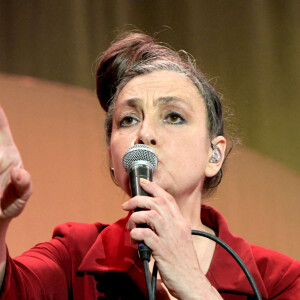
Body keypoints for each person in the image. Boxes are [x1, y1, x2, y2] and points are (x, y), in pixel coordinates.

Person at [0, 31, 299, 300]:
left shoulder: (278, 280)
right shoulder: (74, 257)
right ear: (112, 160)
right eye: (128, 120)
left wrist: (194, 285)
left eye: (173, 117)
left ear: (214, 155)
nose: (144, 134)